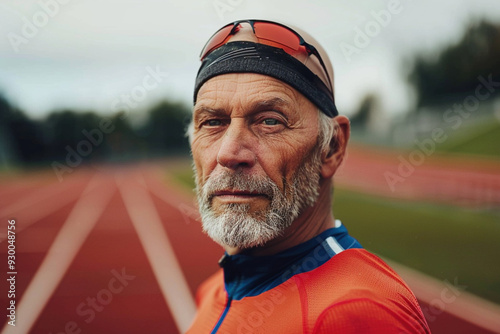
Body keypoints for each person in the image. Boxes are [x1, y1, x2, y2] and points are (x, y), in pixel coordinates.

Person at [186, 19, 430, 334]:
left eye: (270, 121)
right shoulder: (214, 291)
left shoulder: (357, 312)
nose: (229, 154)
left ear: (331, 147)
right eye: (212, 122)